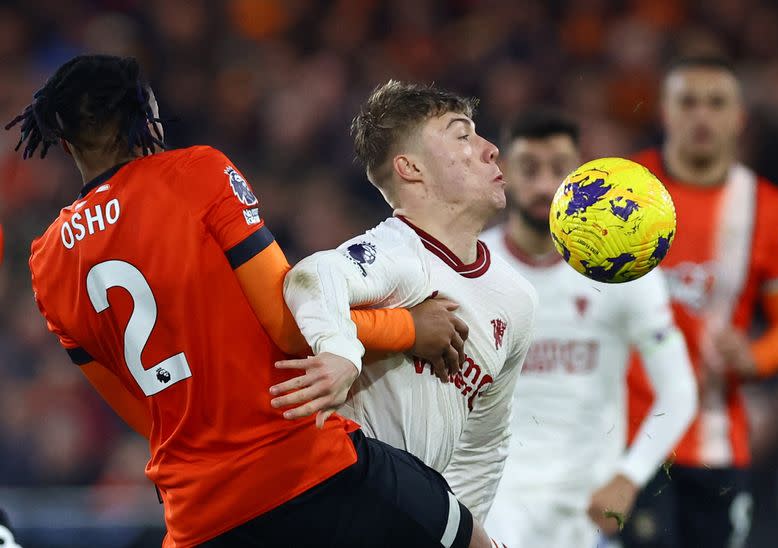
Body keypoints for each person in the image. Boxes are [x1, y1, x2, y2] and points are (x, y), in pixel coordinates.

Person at [10, 54, 490, 548]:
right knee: (469, 537)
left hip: (198, 521)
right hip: (305, 471)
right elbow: (289, 323)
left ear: (64, 142)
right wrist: (410, 327)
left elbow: (146, 415)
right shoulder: (196, 173)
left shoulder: (46, 264)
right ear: (148, 117)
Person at [278, 80, 539, 526]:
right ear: (411, 168)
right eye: (463, 136)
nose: (491, 149)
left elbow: (484, 444)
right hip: (338, 505)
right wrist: (339, 351)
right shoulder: (399, 253)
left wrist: (460, 529)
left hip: (410, 518)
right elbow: (310, 275)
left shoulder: (516, 299)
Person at [479, 109, 697, 547]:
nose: (544, 185)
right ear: (503, 174)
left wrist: (629, 478)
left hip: (588, 510)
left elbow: (679, 392)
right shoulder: (470, 267)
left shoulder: (625, 270)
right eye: (529, 168)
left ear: (581, 175)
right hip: (491, 507)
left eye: (559, 169)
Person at [623, 56, 778, 548]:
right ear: (665, 112)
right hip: (626, 441)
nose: (702, 116)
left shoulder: (769, 209)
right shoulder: (619, 191)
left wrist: (755, 357)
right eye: (688, 102)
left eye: (716, 103)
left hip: (718, 442)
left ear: (739, 117)